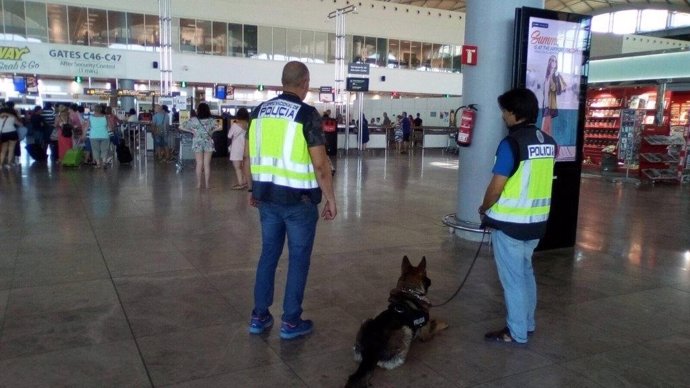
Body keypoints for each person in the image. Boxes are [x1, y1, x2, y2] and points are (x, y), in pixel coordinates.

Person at [244, 61, 337, 340]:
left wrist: (252, 190)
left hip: (267, 198)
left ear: (283, 81)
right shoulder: (307, 114)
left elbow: (250, 154)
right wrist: (331, 199)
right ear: (305, 83)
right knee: (298, 259)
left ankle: (259, 317)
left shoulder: (258, 112)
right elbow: (320, 165)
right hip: (300, 202)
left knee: (268, 254)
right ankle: (291, 321)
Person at [478, 88, 557, 344]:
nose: (503, 116)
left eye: (504, 111)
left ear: (514, 113)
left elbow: (497, 186)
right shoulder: (548, 142)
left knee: (513, 281)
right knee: (525, 273)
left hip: (511, 225)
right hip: (537, 224)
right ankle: (528, 323)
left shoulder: (511, 144)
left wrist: (484, 208)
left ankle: (517, 332)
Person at [181, 102, 221, 189]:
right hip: (208, 142)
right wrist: (212, 131)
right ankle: (207, 184)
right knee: (207, 164)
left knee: (199, 163)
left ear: (198, 110)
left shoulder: (193, 120)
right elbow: (220, 127)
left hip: (197, 142)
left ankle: (199, 184)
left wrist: (192, 131)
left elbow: (181, 126)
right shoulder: (211, 120)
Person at [541, 55, 566, 136]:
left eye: (555, 61)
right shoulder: (547, 76)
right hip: (545, 104)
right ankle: (550, 145)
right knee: (547, 128)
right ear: (549, 62)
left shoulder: (556, 75)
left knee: (544, 128)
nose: (553, 62)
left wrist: (554, 77)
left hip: (551, 105)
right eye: (552, 60)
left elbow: (554, 88)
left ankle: (549, 144)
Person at [227, 107, 249, 189]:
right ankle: (246, 182)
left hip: (236, 148)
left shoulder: (235, 125)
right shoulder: (247, 125)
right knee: (244, 166)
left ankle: (240, 183)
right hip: (246, 147)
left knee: (237, 168)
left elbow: (229, 136)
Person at [85, 104, 112, 169]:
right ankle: (104, 162)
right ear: (101, 109)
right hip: (104, 135)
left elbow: (87, 127)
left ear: (94, 110)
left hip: (94, 136)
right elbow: (110, 127)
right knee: (104, 149)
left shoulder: (90, 117)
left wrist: (84, 134)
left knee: (95, 150)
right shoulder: (106, 117)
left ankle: (98, 164)